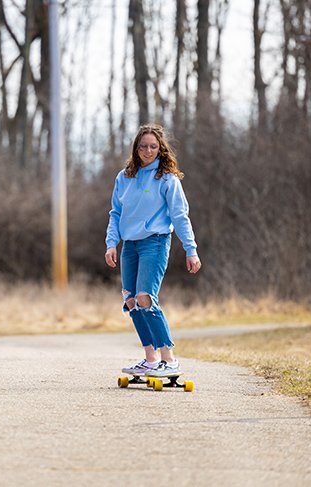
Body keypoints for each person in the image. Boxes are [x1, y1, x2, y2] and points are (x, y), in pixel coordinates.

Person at [105, 123, 201, 378]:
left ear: (161, 150)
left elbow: (180, 216)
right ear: (136, 148)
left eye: (153, 147)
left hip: (155, 242)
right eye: (143, 146)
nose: (148, 150)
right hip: (130, 245)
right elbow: (116, 212)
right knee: (131, 300)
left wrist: (191, 249)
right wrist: (111, 243)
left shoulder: (167, 179)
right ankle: (150, 359)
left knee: (146, 296)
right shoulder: (124, 177)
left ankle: (169, 359)